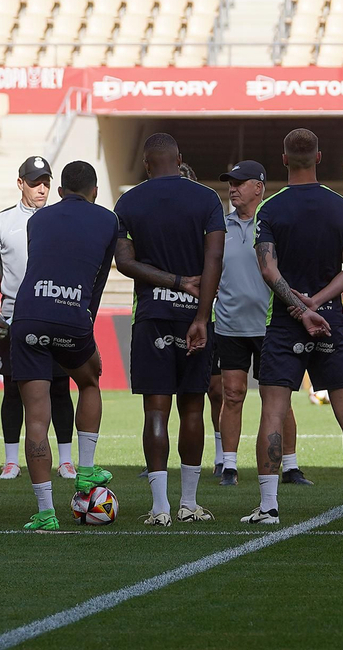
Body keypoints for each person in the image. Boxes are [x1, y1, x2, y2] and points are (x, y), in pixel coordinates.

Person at [247, 127, 343, 526]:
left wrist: (301, 308)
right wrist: (318, 303)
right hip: (330, 319)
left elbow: (268, 268)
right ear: (320, 158)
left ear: (283, 160)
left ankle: (268, 507)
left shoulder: (271, 208)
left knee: (273, 411)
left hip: (285, 321)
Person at [113, 133, 225, 525]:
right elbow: (215, 259)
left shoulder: (128, 201)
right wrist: (200, 316)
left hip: (152, 317)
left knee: (155, 410)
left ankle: (160, 507)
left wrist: (173, 281)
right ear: (179, 159)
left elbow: (124, 263)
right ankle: (189, 504)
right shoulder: (207, 198)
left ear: (146, 164)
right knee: (192, 408)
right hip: (195, 316)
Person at [8, 161, 117, 530]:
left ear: (58, 191)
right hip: (72, 313)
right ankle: (85, 470)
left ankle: (45, 513)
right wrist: (86, 326)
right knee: (89, 379)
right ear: (95, 191)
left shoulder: (36, 220)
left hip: (27, 316)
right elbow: (98, 283)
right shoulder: (108, 220)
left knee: (35, 419)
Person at [0, 157, 77, 481]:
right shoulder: (0, 223)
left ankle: (65, 459)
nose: (42, 188)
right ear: (20, 183)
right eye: (35, 182)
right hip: (14, 317)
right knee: (12, 389)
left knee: (61, 387)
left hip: (55, 312)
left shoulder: (63, 219)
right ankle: (10, 460)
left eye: (46, 182)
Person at [212, 161, 306, 488]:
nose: (233, 188)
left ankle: (291, 466)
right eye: (230, 182)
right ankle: (229, 466)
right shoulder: (219, 228)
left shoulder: (274, 223)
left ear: (259, 187)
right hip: (229, 326)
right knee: (233, 394)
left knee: (279, 398)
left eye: (240, 182)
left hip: (270, 326)